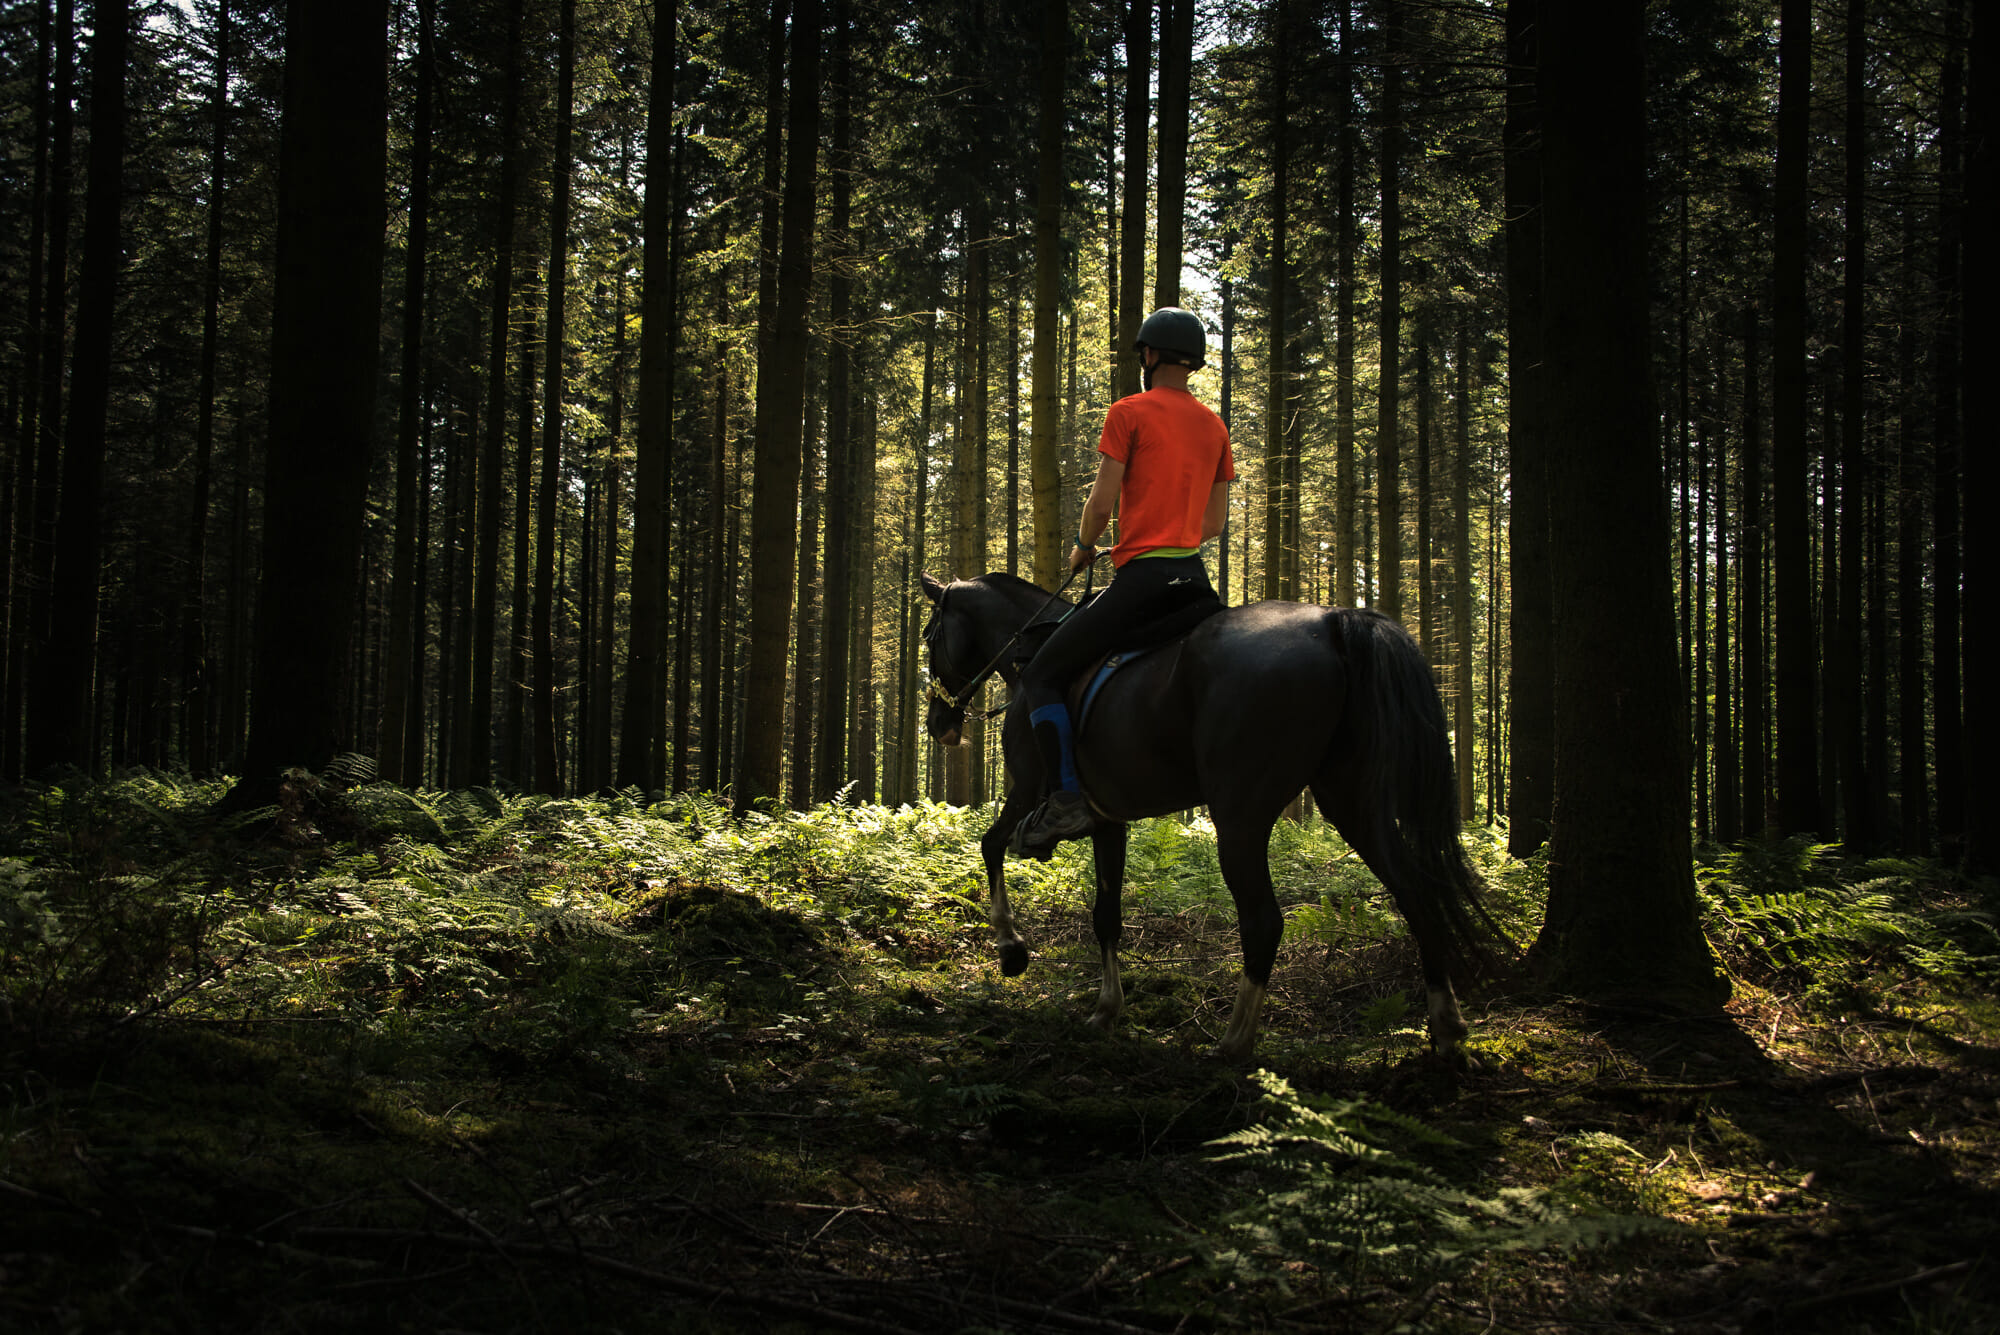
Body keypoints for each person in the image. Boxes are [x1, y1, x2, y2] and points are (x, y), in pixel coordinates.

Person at [1011, 307, 1236, 856]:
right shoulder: (1214, 425)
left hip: (1142, 584)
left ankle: (1066, 799)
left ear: (1150, 355)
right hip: (1196, 587)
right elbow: (1212, 525)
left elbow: (1101, 501)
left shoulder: (1128, 412)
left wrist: (1087, 546)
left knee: (1041, 674)